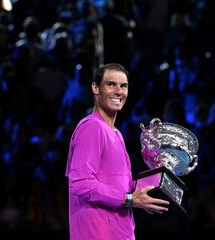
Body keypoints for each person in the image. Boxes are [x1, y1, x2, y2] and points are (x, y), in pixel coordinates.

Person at [65, 63, 169, 240]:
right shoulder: (92, 127)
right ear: (95, 88)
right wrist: (129, 199)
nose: (118, 91)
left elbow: (124, 187)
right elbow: (80, 183)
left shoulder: (115, 133)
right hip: (98, 233)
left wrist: (160, 168)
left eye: (123, 86)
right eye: (111, 84)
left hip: (119, 232)